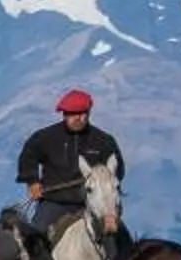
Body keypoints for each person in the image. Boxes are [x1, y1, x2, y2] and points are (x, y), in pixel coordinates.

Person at [17, 88, 126, 241]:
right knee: (36, 238)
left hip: (92, 203)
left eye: (82, 113)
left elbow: (117, 170)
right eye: (73, 114)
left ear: (89, 113)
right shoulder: (45, 138)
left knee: (122, 240)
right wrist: (32, 181)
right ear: (64, 114)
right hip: (55, 201)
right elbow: (28, 156)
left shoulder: (104, 141)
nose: (78, 118)